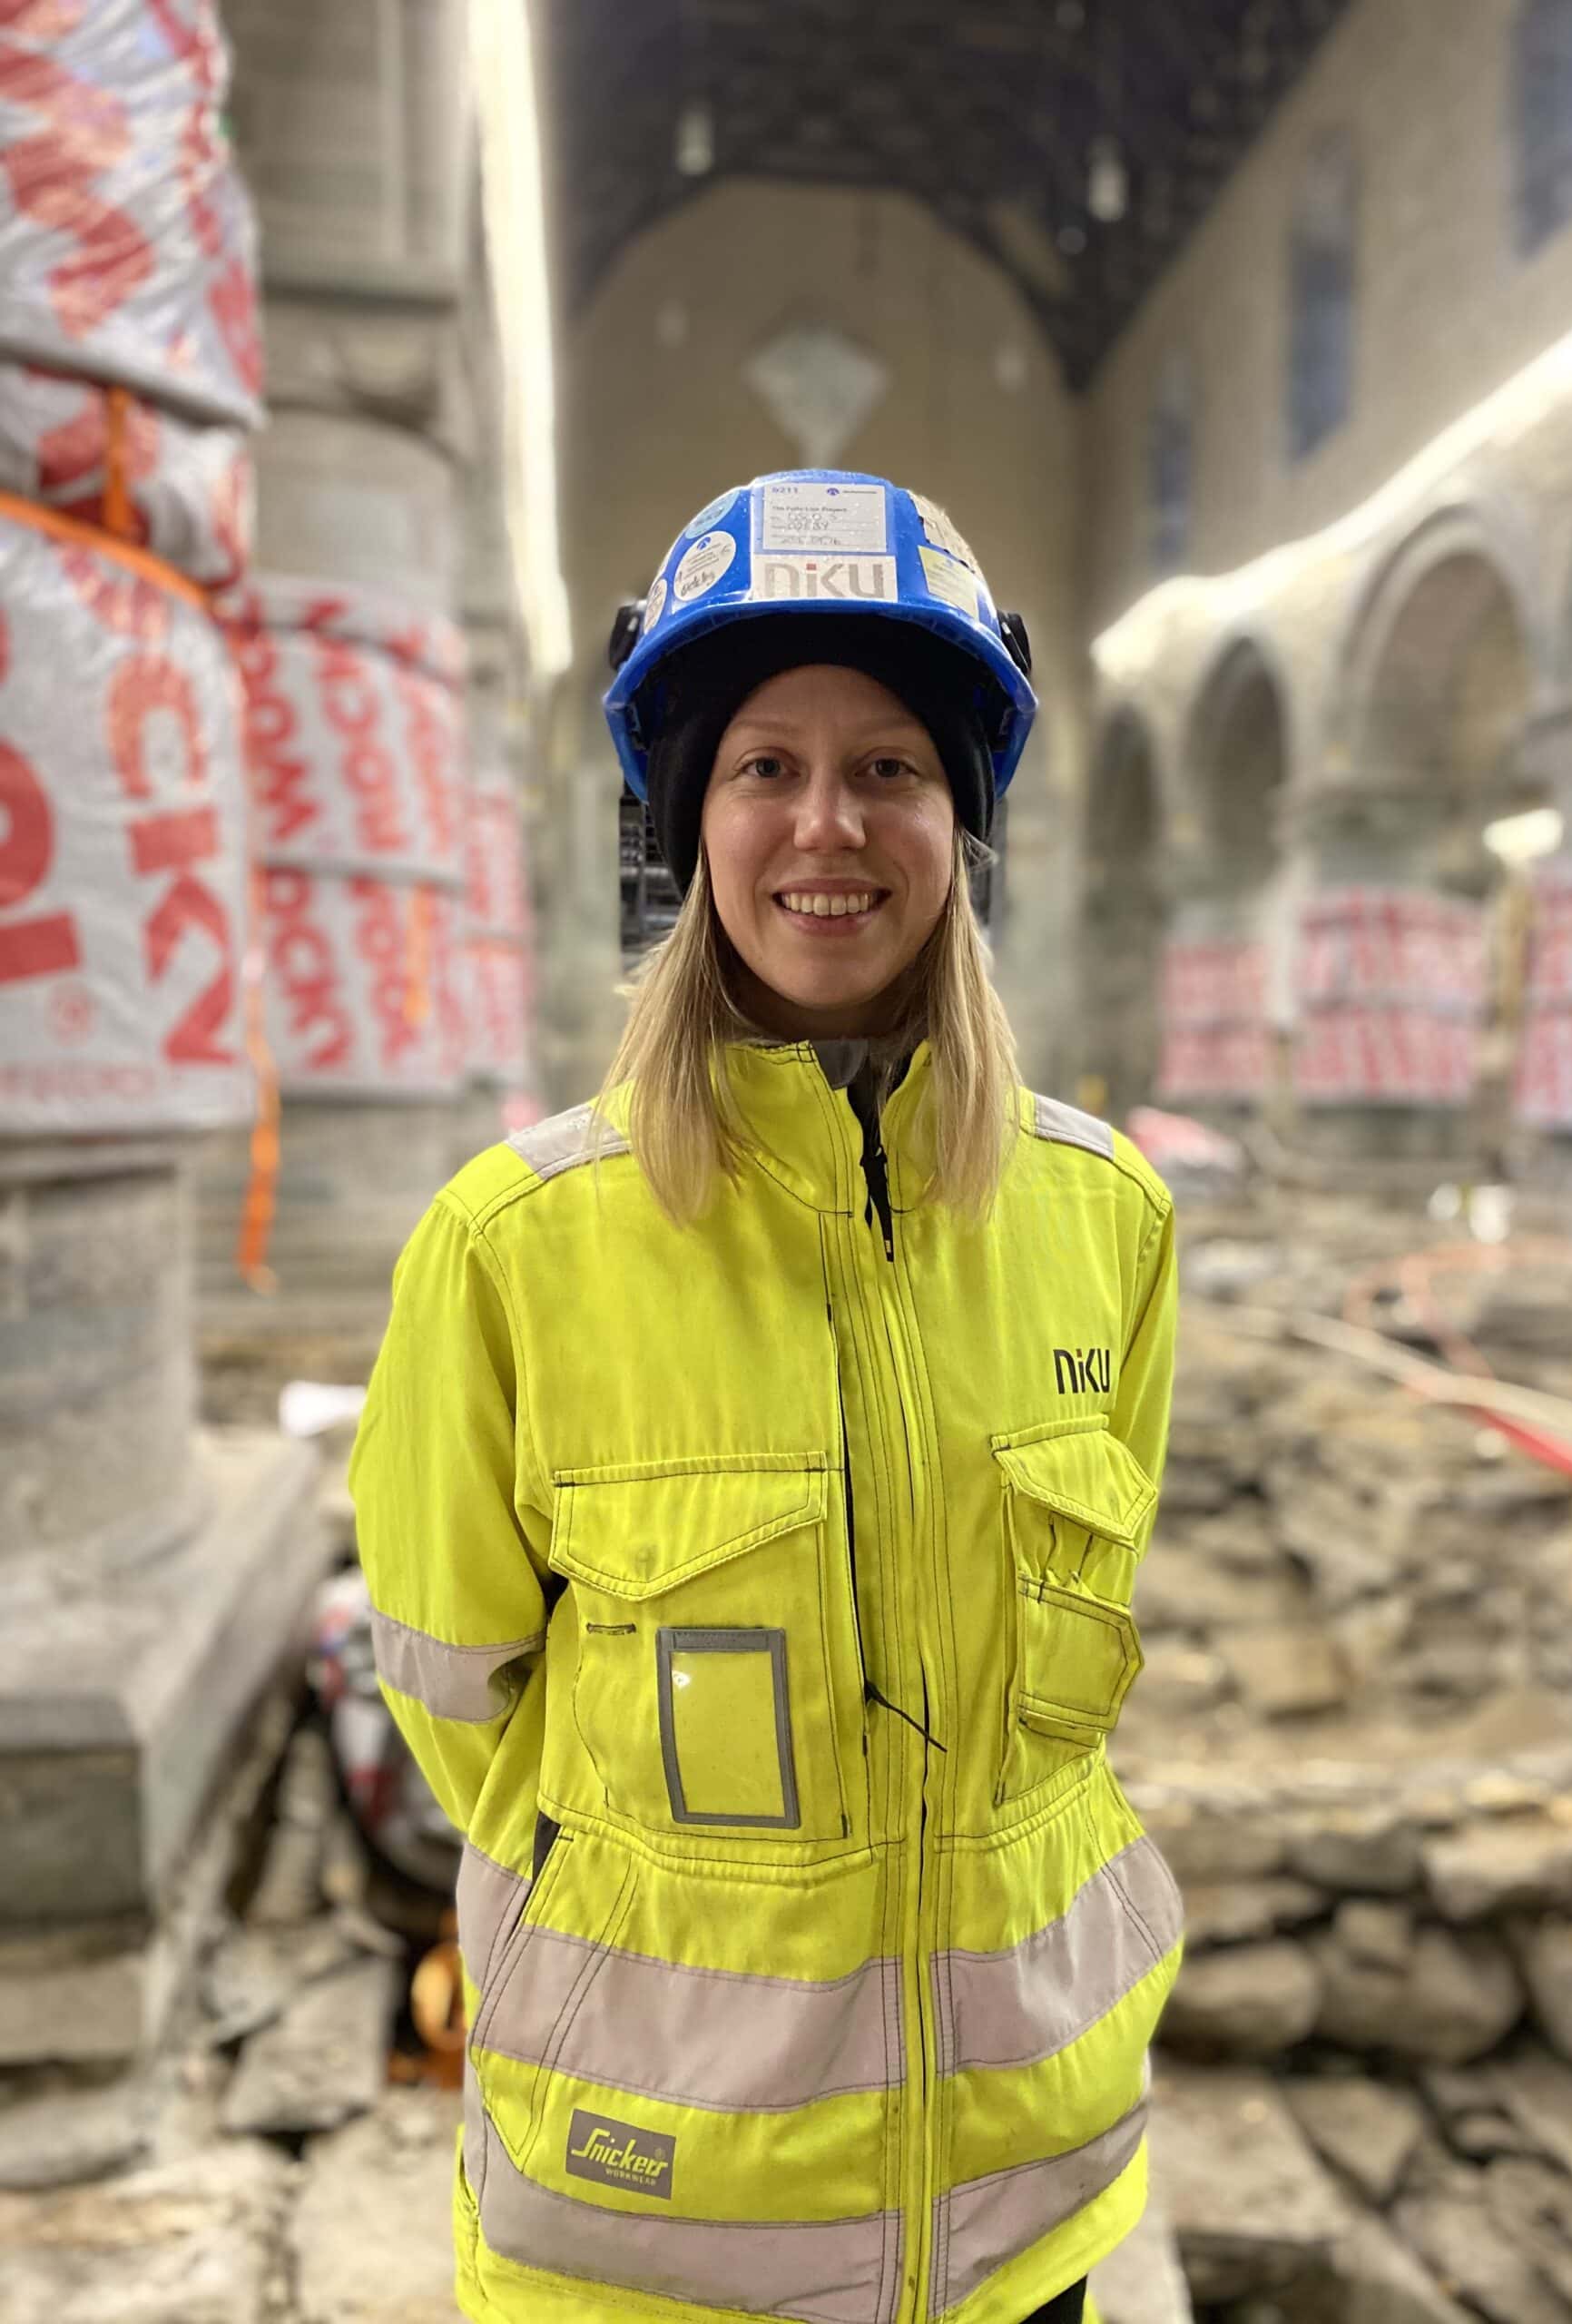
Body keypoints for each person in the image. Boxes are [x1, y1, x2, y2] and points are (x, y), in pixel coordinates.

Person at [349, 469, 1184, 2324]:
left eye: (890, 765)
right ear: (690, 819)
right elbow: (462, 1703)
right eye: (765, 767)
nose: (830, 823)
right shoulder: (512, 1245)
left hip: (1014, 2215)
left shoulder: (1105, 1218)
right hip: (648, 2236)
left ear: (960, 818)